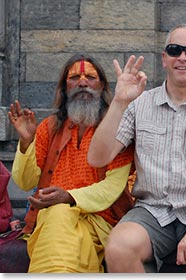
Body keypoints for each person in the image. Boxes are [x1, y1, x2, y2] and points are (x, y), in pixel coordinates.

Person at [87, 24, 186, 273]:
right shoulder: (139, 105)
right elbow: (97, 158)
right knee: (118, 248)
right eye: (174, 50)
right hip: (151, 210)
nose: (182, 57)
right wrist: (120, 101)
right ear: (164, 59)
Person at [8, 54, 135, 272]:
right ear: (65, 88)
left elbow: (112, 188)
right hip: (52, 217)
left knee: (61, 215)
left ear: (102, 85)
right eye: (75, 77)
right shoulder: (50, 127)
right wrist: (27, 142)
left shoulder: (118, 128)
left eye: (90, 77)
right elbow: (24, 181)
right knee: (59, 216)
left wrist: (69, 197)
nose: (83, 82)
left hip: (100, 220)